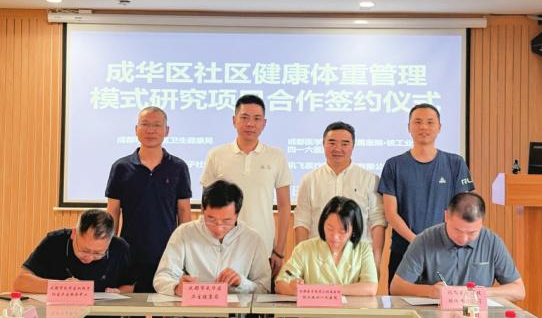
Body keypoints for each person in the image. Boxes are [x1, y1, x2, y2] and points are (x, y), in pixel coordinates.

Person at [377, 103, 474, 286]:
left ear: (439, 127)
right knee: (400, 301)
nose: (423, 127)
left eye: (430, 122)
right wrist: (417, 241)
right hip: (404, 250)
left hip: (445, 250)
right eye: (418, 122)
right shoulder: (394, 165)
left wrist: (441, 240)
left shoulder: (455, 163)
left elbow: (462, 210)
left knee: (445, 300)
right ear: (409, 127)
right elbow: (390, 213)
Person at [200, 94, 291, 277]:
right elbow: (206, 204)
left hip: (263, 247)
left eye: (257, 118)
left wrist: (279, 251)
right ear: (234, 120)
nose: (250, 124)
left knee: (261, 294)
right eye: (244, 117)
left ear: (264, 123)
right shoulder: (216, 155)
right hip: (222, 247)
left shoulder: (276, 156)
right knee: (222, 293)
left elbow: (284, 205)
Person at [106, 106, 192, 292]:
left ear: (166, 130)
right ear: (136, 129)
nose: (151, 130)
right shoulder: (121, 167)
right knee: (127, 301)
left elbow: (184, 211)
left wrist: (186, 249)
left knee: (167, 301)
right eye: (145, 124)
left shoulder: (178, 167)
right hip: (129, 251)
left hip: (168, 252)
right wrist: (109, 247)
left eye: (157, 125)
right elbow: (112, 212)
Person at [390, 192, 525, 301]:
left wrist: (480, 292)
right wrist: (430, 291)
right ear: (446, 216)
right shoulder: (424, 240)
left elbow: (519, 291)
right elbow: (396, 287)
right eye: (457, 230)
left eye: (472, 233)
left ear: (481, 222)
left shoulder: (492, 242)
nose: (463, 238)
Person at [153, 180, 270, 295]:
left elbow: (264, 288)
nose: (218, 228)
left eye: (226, 221)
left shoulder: (253, 239)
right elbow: (162, 277)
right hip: (194, 306)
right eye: (211, 219)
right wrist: (176, 287)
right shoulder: (184, 233)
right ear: (202, 210)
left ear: (237, 214)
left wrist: (241, 283)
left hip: (236, 307)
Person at [294, 121, 386, 267]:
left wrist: (376, 261)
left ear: (353, 146)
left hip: (358, 260)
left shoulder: (369, 179)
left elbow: (377, 221)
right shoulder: (309, 180)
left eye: (344, 143)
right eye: (332, 143)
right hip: (319, 260)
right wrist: (302, 261)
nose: (338, 148)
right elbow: (301, 222)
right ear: (323, 144)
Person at [275, 196, 378, 296]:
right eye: (330, 228)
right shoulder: (305, 248)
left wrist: (331, 290)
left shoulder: (363, 249)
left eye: (342, 231)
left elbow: (371, 287)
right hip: (313, 308)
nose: (335, 236)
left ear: (353, 230)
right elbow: (280, 283)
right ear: (322, 224)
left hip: (351, 308)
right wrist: (292, 289)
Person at [14, 209, 134, 293]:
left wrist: (118, 291)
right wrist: (60, 287)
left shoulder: (120, 247)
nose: (89, 258)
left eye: (98, 253)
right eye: (84, 250)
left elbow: (129, 286)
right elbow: (20, 282)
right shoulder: (54, 242)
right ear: (74, 233)